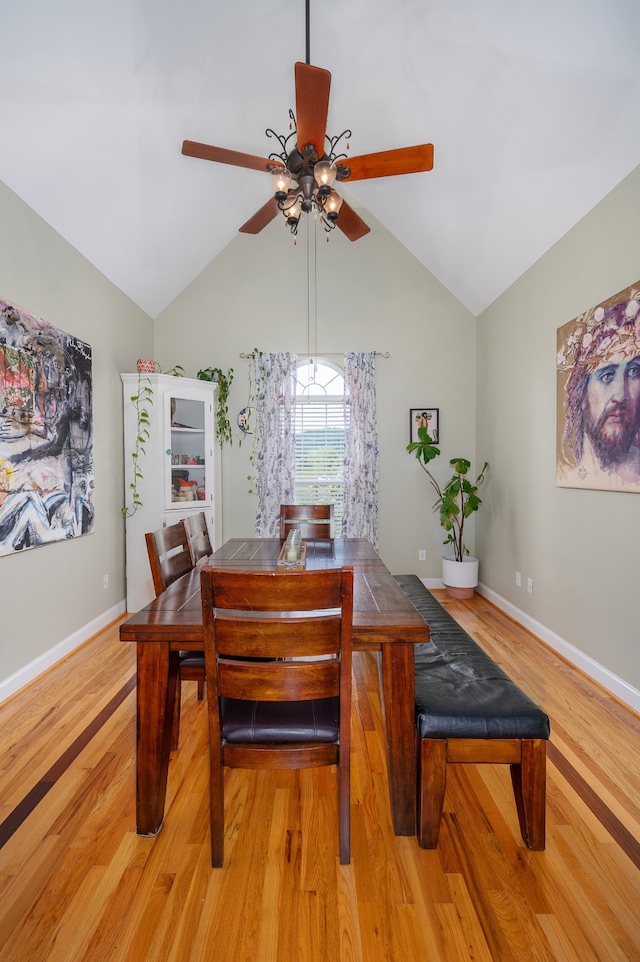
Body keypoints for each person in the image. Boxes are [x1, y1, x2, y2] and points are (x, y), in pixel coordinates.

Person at [558, 286, 640, 486]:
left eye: (633, 372)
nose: (620, 394)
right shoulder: (567, 475)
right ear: (581, 395)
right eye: (607, 375)